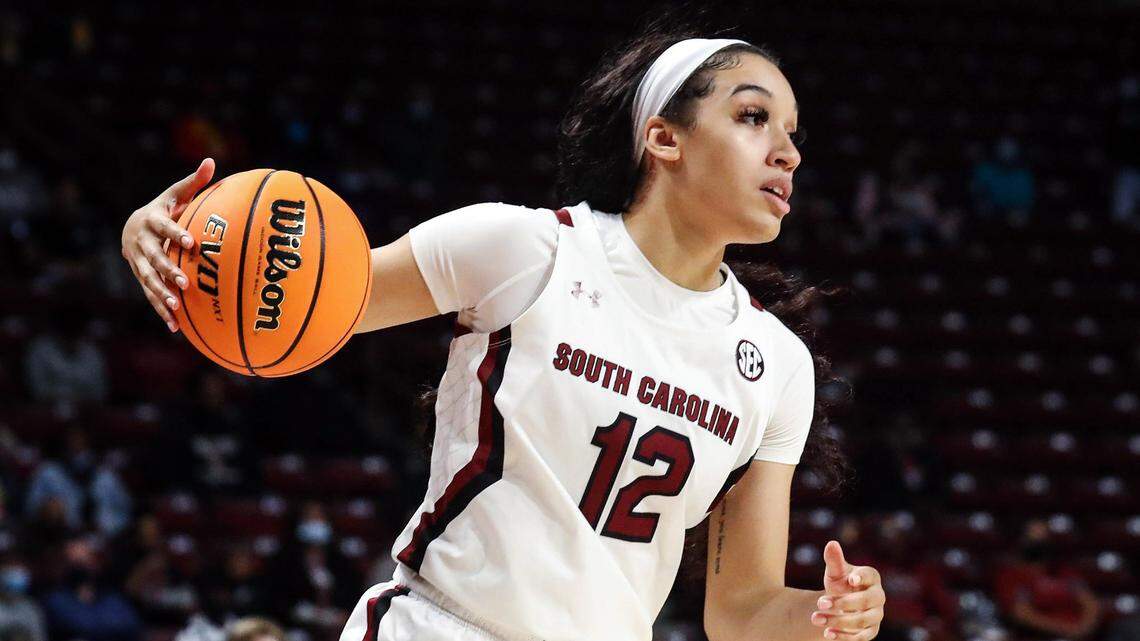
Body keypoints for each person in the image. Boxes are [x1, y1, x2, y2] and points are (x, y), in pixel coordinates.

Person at [119, 12, 885, 641]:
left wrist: (827, 616)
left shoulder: (777, 364)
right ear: (663, 138)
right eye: (754, 117)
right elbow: (313, 306)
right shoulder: (527, 249)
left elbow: (740, 610)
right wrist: (160, 239)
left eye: (793, 133)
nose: (787, 151)